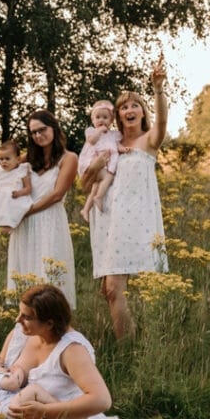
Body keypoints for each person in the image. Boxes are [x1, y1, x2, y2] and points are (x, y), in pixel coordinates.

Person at [0, 284, 120, 419]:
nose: (18, 319)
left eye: (27, 317)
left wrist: (44, 411)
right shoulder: (21, 334)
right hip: (22, 408)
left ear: (49, 323)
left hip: (68, 418)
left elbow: (102, 400)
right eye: (20, 313)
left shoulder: (72, 350)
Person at [84, 57, 169, 338]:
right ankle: (131, 345)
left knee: (117, 288)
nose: (129, 110)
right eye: (123, 107)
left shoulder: (149, 141)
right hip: (108, 221)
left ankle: (130, 350)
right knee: (109, 290)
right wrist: (95, 166)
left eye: (134, 105)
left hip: (135, 222)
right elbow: (86, 183)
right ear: (118, 116)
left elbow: (163, 120)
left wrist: (157, 90)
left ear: (143, 113)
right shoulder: (110, 144)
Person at [6, 110, 78, 308]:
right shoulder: (24, 160)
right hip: (24, 227)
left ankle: (55, 331)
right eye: (33, 132)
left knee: (50, 279)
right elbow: (3, 184)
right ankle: (25, 330)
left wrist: (24, 211)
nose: (38, 135)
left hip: (50, 223)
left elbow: (56, 194)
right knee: (26, 277)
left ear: (54, 128)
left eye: (42, 130)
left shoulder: (68, 158)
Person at [77, 100, 129, 221]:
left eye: (105, 118)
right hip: (92, 163)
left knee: (96, 186)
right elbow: (92, 141)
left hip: (104, 164)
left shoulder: (113, 135)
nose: (101, 120)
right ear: (92, 120)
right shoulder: (91, 131)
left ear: (111, 121)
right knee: (108, 177)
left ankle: (86, 209)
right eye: (98, 117)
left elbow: (117, 145)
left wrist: (123, 149)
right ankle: (99, 197)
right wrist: (99, 131)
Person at [0, 140, 33, 234]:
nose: (4, 162)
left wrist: (19, 193)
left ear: (17, 159)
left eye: (7, 159)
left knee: (11, 203)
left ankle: (9, 224)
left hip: (16, 196)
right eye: (1, 159)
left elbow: (28, 188)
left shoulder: (21, 170)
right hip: (2, 195)